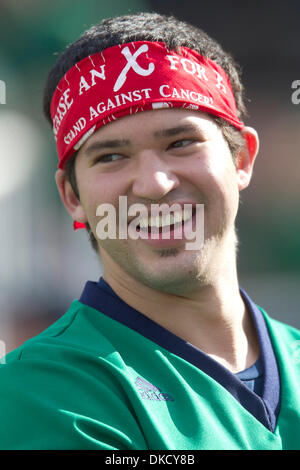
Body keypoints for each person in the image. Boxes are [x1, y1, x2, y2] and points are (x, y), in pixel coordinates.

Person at [0, 12, 299, 451]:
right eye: (110, 156)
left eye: (180, 143)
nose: (155, 184)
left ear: (242, 160)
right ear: (72, 196)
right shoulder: (43, 392)